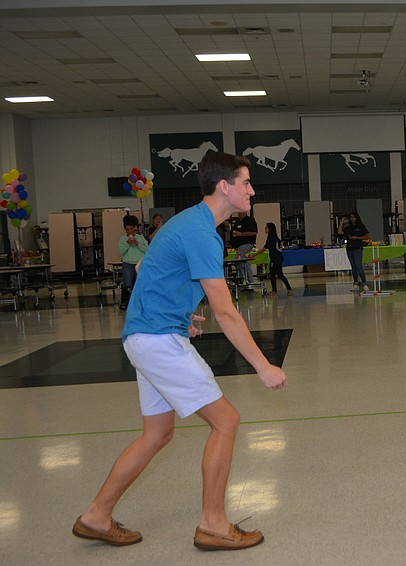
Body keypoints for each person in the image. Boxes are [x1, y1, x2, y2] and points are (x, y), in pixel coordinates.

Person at [73, 151, 288, 550]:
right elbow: (224, 311)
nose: (252, 190)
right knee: (226, 421)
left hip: (146, 334)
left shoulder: (186, 222)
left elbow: (145, 269)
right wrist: (263, 365)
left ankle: (96, 516)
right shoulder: (201, 232)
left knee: (157, 434)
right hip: (156, 340)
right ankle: (214, 525)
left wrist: (175, 314)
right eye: (246, 182)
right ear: (224, 187)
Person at [252, 222, 292, 296]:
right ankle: (274, 291)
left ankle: (289, 289)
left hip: (276, 259)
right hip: (274, 259)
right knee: (272, 274)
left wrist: (253, 255)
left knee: (280, 274)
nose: (265, 229)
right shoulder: (273, 238)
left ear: (270, 229)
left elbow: (264, 249)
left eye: (266, 228)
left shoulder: (272, 239)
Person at [117, 215, 148, 310]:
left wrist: (137, 244)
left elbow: (147, 250)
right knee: (127, 283)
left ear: (135, 228)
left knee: (139, 283)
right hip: (128, 263)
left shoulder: (141, 238)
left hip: (139, 264)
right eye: (127, 229)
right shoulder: (122, 239)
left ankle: (140, 303)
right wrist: (127, 244)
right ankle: (125, 303)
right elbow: (121, 252)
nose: (129, 231)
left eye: (131, 229)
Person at [338, 211, 370, 292]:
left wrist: (357, 238)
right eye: (351, 217)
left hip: (358, 248)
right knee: (353, 267)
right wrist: (341, 222)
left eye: (353, 217)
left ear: (356, 217)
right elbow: (339, 232)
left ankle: (364, 283)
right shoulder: (348, 227)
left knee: (358, 265)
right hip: (349, 248)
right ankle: (355, 283)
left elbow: (367, 236)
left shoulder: (361, 226)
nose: (352, 219)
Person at [230, 210, 258, 286]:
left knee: (243, 262)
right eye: (238, 212)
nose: (239, 214)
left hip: (246, 244)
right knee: (240, 262)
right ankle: (241, 281)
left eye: (241, 212)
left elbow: (254, 232)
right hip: (238, 246)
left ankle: (249, 282)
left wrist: (241, 234)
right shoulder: (237, 222)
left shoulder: (250, 221)